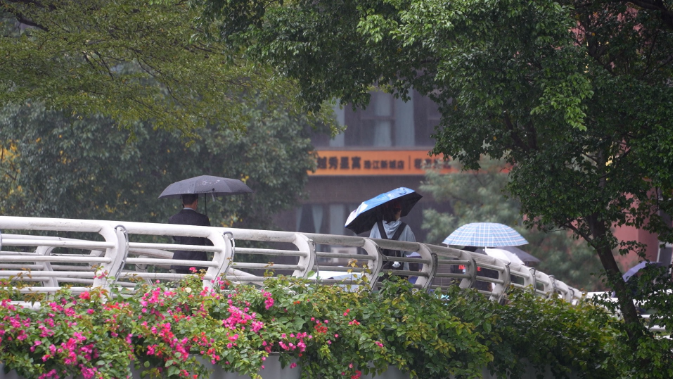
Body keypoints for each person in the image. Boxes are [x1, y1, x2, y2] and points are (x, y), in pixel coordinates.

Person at [369, 200, 416, 272]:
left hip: (380, 269)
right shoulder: (405, 228)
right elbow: (410, 250)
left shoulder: (377, 226)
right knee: (399, 283)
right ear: (398, 212)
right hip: (400, 270)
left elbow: (370, 247)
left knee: (380, 283)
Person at [168, 194, 211, 274]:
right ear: (196, 202)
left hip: (179, 261)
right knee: (198, 286)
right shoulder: (203, 219)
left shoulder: (173, 219)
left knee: (180, 286)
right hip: (198, 261)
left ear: (182, 202)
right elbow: (208, 241)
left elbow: (175, 238)